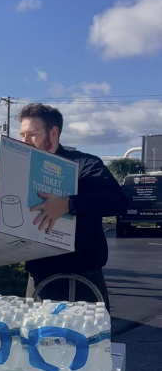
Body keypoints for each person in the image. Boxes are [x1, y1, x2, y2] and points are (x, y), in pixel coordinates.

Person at [18, 103, 127, 307]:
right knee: (37, 337)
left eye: (32, 134)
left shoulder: (84, 164)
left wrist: (69, 204)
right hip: (40, 279)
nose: (26, 141)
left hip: (83, 280)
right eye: (22, 135)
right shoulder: (20, 169)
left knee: (89, 338)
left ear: (53, 132)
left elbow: (117, 202)